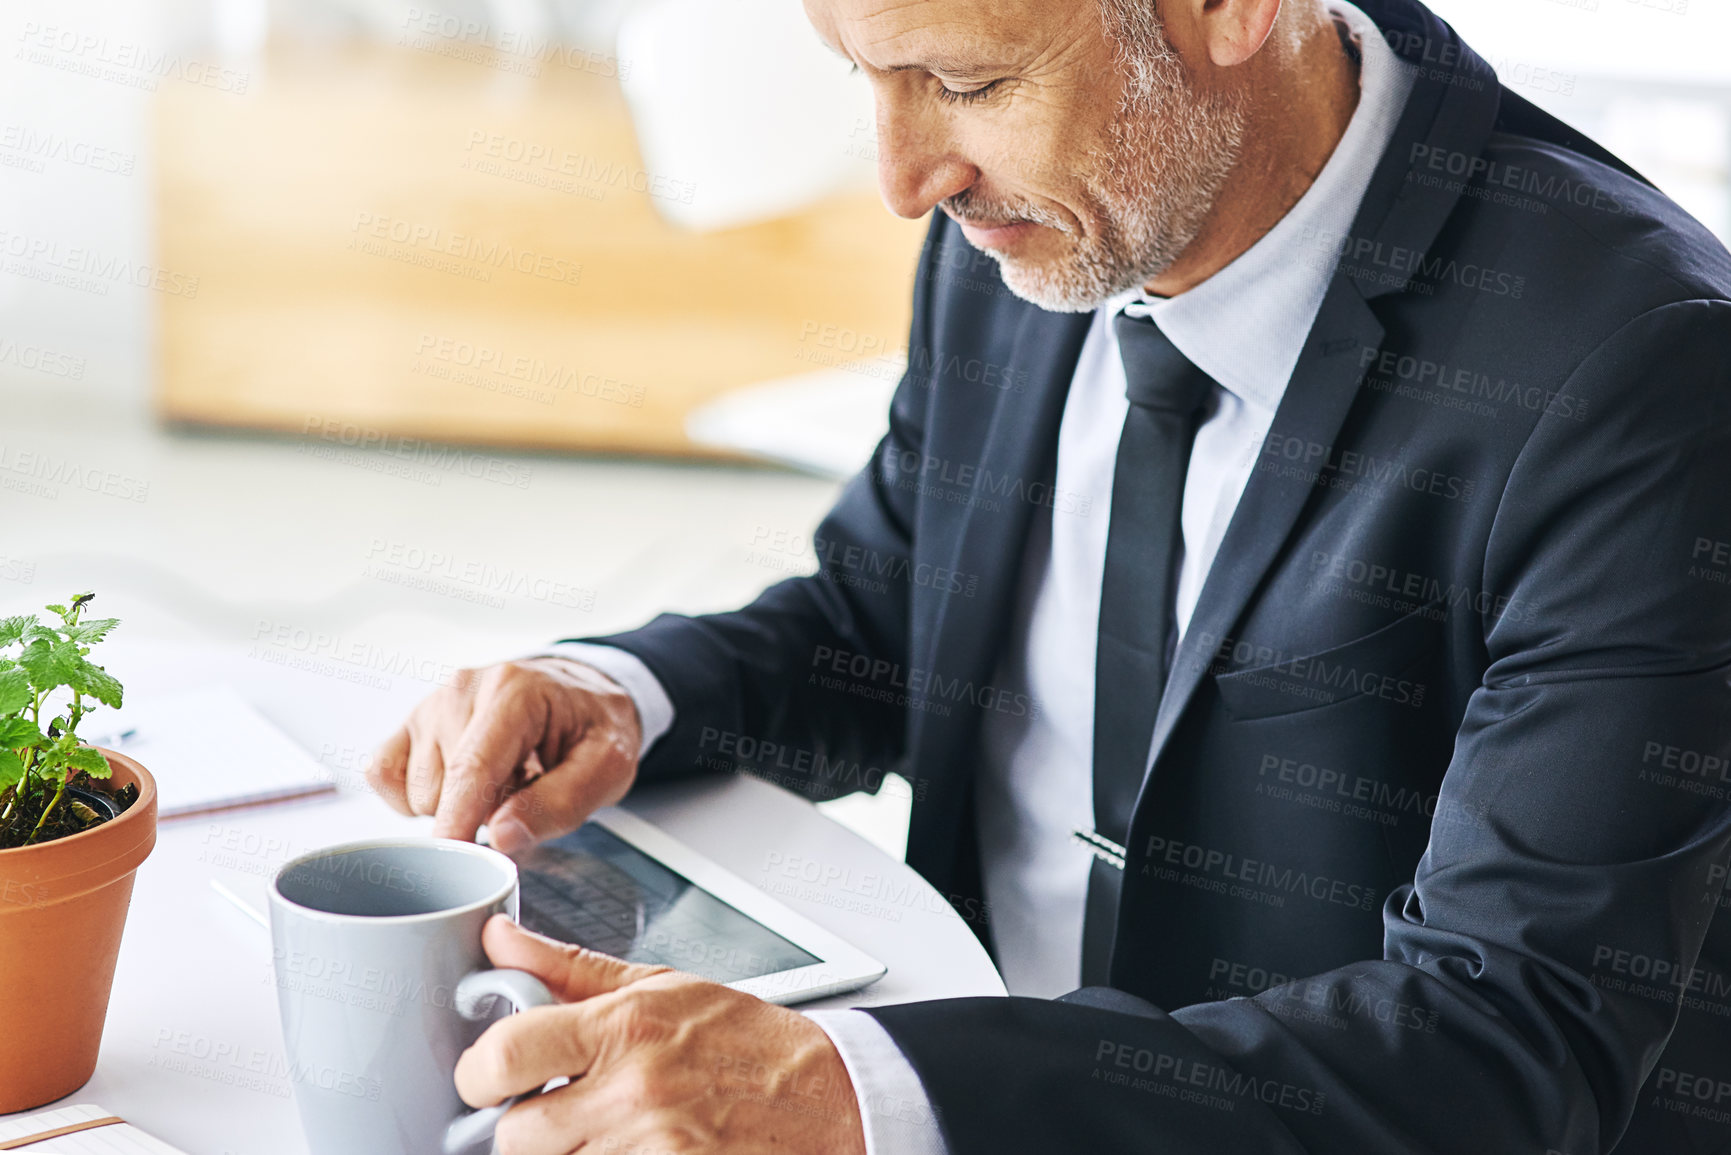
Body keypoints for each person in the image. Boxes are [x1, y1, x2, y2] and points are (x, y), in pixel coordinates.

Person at [369, 0, 1731, 1149]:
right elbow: (895, 616)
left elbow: (1508, 1037)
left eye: (965, 82)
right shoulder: (1041, 221)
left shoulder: (1640, 372)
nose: (907, 176)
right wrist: (619, 692)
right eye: (871, 77)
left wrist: (869, 1096)